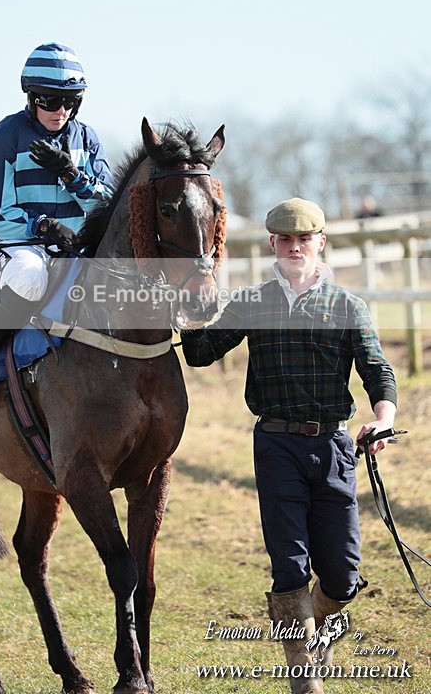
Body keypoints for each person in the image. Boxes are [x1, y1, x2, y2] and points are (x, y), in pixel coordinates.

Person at [181, 198, 397, 694]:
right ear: (272, 245)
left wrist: (382, 420)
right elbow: (201, 352)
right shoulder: (253, 302)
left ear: (320, 242)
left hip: (335, 448)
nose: (294, 247)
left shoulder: (347, 307)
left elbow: (378, 373)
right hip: (275, 445)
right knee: (289, 563)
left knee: (342, 577)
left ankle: (312, 621)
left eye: (304, 239)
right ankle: (304, 675)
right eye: (285, 239)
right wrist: (186, 305)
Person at [0, 42, 114, 402]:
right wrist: (43, 227)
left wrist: (71, 173)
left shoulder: (87, 139)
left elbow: (104, 203)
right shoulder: (5, 137)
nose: (60, 111)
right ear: (31, 97)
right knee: (32, 278)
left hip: (76, 249)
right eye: (49, 101)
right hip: (14, 250)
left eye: (71, 101)